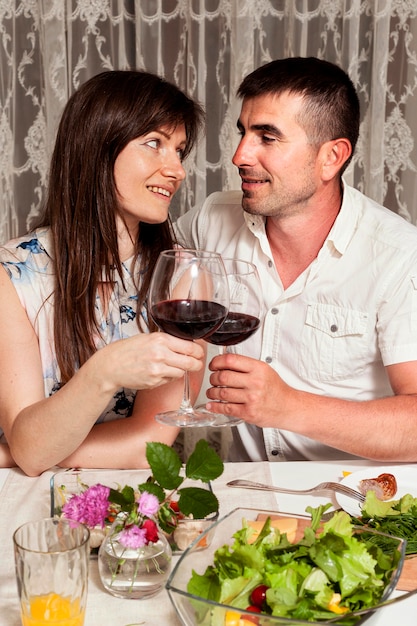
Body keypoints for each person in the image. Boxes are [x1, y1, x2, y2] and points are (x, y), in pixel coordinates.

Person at [175, 56, 417, 463]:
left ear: (331, 157)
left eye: (267, 137)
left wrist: (287, 406)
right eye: (244, 133)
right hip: (245, 500)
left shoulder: (399, 256)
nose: (239, 156)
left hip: (356, 505)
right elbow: (132, 258)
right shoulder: (211, 220)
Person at [0, 70, 206, 476]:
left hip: (132, 500)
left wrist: (17, 453)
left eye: (179, 150)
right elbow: (29, 445)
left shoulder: (182, 274)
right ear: (96, 148)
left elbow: (147, 447)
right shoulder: (13, 275)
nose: (177, 170)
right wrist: (105, 370)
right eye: (155, 144)